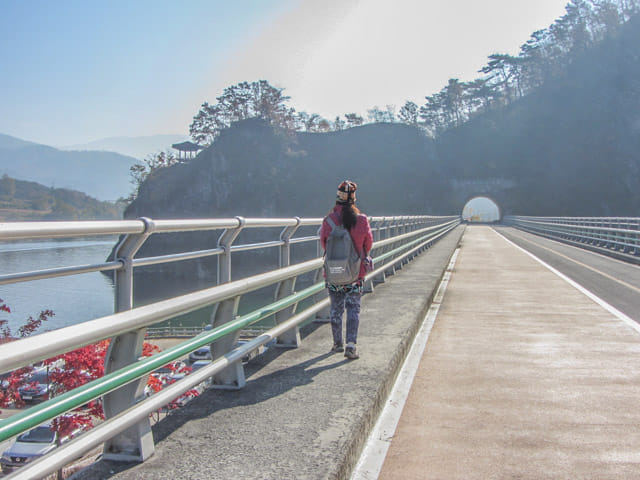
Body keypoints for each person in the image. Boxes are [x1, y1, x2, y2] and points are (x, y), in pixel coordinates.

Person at [320, 180, 373, 360]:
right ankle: (351, 345)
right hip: (355, 273)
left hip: (334, 272)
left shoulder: (328, 221)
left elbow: (324, 244)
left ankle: (337, 343)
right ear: (354, 200)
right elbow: (368, 244)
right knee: (353, 308)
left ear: (337, 199)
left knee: (336, 309)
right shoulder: (362, 220)